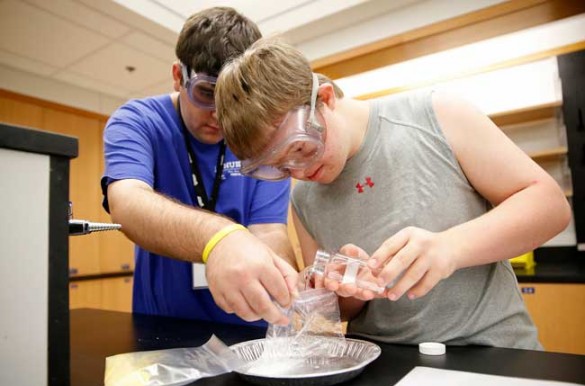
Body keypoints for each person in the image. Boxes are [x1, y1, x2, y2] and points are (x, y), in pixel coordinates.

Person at [214, 37, 572, 349]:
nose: (301, 172)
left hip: (490, 352)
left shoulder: (436, 115)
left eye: (302, 149)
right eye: (281, 168)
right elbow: (340, 314)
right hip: (383, 365)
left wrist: (449, 247)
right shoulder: (304, 198)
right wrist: (343, 287)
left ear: (324, 98)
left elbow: (550, 206)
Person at [101, 8, 299, 327]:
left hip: (249, 328)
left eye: (235, 98)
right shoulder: (138, 122)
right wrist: (221, 237)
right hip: (165, 329)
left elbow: (268, 230)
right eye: (207, 93)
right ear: (178, 76)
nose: (220, 115)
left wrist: (288, 291)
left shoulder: (260, 134)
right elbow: (127, 204)